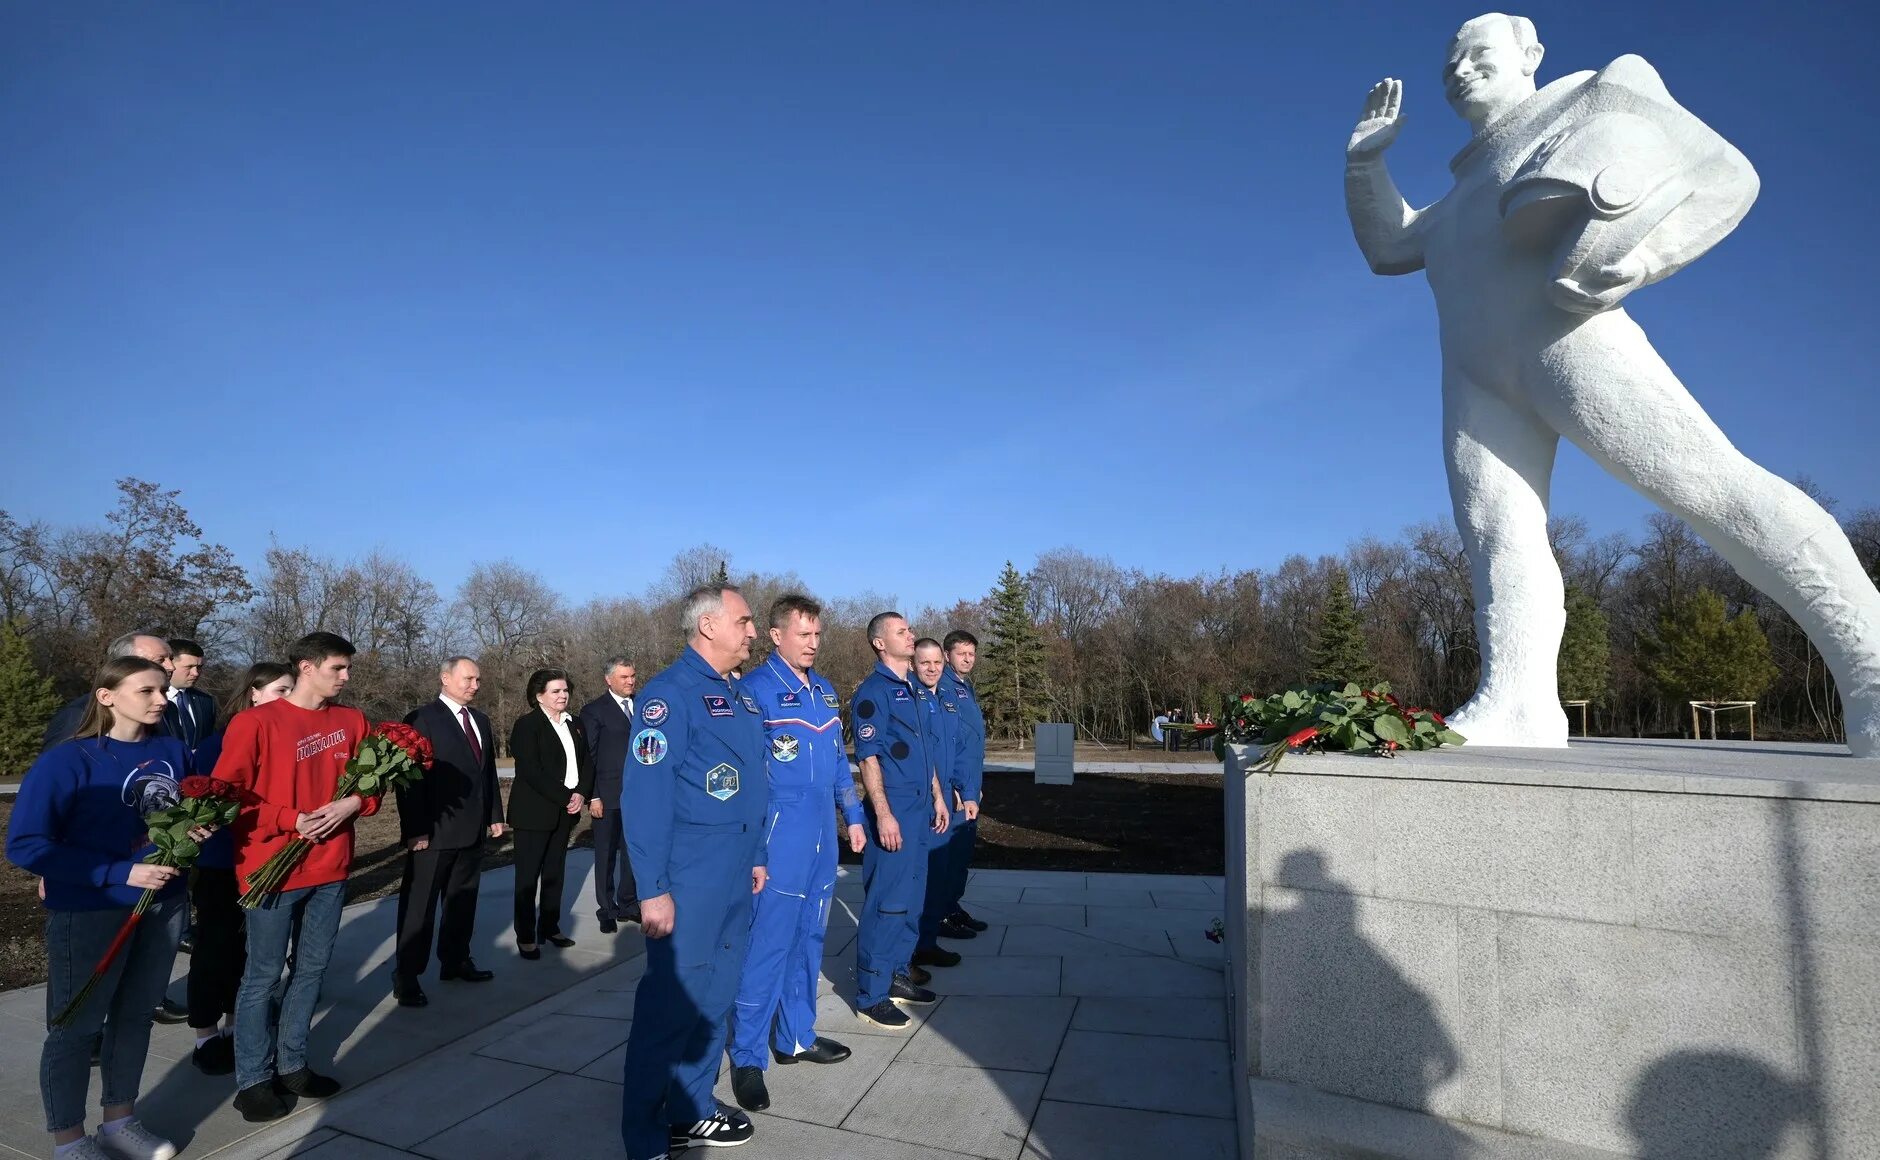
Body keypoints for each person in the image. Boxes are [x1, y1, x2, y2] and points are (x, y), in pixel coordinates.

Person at [1345, 14, 1880, 753]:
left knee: (1713, 490)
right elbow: (1387, 246)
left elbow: (1724, 174)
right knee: (1499, 538)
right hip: (1477, 380)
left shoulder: (1590, 106)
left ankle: (1871, 658)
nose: (1459, 71)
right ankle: (1518, 700)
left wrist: (1644, 255)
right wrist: (1366, 167)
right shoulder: (1460, 196)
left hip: (1571, 346)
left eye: (1478, 55)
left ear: (1530, 56)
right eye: (1450, 64)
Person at [6, 656, 195, 1160]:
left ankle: (120, 1120)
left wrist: (196, 832)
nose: (161, 700)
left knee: (135, 1017)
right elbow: (26, 845)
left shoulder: (173, 750)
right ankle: (68, 1139)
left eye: (163, 690)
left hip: (164, 904)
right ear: (107, 696)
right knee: (77, 1026)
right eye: (147, 691)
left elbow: (182, 816)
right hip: (91, 909)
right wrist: (120, 872)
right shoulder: (68, 760)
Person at [618, 585, 768, 1159]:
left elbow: (751, 780)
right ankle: (645, 1136)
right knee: (669, 1007)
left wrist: (756, 856)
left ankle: (692, 1108)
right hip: (691, 876)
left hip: (736, 873)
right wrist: (652, 890)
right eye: (745, 621)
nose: (752, 632)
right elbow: (646, 797)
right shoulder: (668, 696)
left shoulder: (740, 696)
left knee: (715, 998)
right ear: (709, 625)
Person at [213, 631, 380, 1123]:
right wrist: (289, 819)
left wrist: (355, 801)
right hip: (270, 869)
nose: (346, 678)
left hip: (331, 868)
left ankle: (293, 1064)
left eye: (348, 668)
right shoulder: (255, 722)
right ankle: (253, 1079)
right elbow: (228, 794)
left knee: (310, 971)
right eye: (338, 668)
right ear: (306, 667)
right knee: (262, 977)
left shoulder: (352, 721)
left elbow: (373, 784)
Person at [725, 595, 867, 1113]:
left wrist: (853, 816)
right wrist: (757, 848)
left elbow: (835, 764)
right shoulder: (755, 691)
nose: (813, 643)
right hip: (779, 834)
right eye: (803, 634)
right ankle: (746, 1056)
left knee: (810, 936)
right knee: (769, 943)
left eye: (817, 634)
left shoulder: (826, 693)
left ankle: (795, 1037)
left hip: (821, 838)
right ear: (775, 634)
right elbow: (749, 779)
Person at [184, 662, 293, 1075]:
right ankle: (205, 1033)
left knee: (252, 950)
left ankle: (236, 1024)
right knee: (215, 945)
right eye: (281, 690)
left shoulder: (285, 740)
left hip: (267, 857)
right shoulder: (218, 743)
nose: (289, 699)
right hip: (223, 861)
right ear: (254, 693)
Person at [850, 612, 950, 1030]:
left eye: (910, 630)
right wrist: (884, 813)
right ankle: (871, 994)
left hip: (920, 808)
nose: (911, 636)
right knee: (886, 902)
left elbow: (924, 750)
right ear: (879, 643)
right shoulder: (874, 692)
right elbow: (868, 757)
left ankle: (897, 973)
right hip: (894, 810)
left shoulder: (913, 689)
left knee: (910, 898)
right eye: (902, 632)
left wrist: (939, 796)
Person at [391, 657, 506, 1007]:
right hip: (434, 833)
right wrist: (416, 830)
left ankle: (455, 961)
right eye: (469, 678)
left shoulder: (481, 721)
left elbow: (486, 774)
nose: (475, 685)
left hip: (472, 831)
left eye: (478, 679)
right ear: (445, 678)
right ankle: (407, 975)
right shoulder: (422, 719)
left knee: (462, 902)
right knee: (420, 908)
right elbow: (408, 781)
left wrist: (494, 815)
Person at [507, 668, 593, 959]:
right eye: (556, 691)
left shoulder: (575, 723)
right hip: (534, 812)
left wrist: (581, 792)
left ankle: (550, 926)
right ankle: (526, 935)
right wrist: (566, 796)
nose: (563, 695)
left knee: (555, 874)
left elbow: (586, 762)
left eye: (565, 690)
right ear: (538, 695)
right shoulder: (527, 725)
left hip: (565, 811)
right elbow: (531, 770)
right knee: (528, 878)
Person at [911, 638, 970, 971]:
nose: (932, 669)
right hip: (924, 800)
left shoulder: (947, 699)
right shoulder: (912, 700)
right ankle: (915, 946)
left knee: (940, 873)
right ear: (913, 665)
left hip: (946, 797)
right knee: (923, 877)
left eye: (936, 664)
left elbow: (958, 746)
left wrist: (962, 789)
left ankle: (929, 940)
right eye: (924, 663)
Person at [579, 656, 641, 932]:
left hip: (638, 796)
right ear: (609, 680)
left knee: (633, 854)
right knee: (606, 855)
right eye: (624, 677)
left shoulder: (643, 706)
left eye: (632, 676)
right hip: (607, 794)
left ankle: (628, 904)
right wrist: (593, 795)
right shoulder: (594, 711)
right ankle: (607, 908)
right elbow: (588, 756)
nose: (630, 681)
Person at [934, 630, 989, 936]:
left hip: (969, 786)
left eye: (971, 654)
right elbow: (947, 743)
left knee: (960, 853)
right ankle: (939, 916)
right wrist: (957, 788)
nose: (968, 659)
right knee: (947, 855)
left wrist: (973, 786)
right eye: (961, 654)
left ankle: (952, 907)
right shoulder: (943, 688)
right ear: (947, 655)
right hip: (955, 789)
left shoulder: (965, 688)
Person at [42, 633, 174, 748]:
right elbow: (59, 768)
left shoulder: (167, 708)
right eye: (160, 660)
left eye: (171, 659)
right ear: (123, 664)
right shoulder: (80, 714)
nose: (171, 667)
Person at [164, 639, 217, 751]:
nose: (196, 673)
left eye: (199, 667)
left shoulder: (206, 702)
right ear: (169, 665)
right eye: (189, 667)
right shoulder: (146, 701)